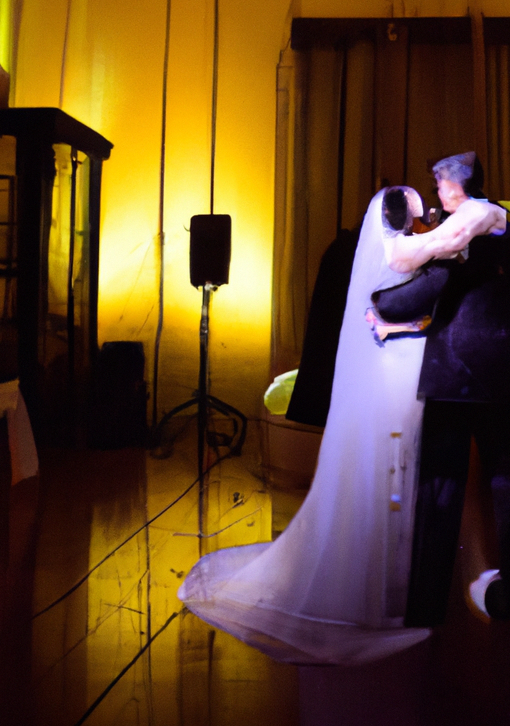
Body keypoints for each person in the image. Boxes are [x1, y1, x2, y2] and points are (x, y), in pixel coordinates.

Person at [177, 185, 493, 665]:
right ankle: (382, 584)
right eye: (417, 215)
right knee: (388, 475)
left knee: (379, 477)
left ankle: (378, 576)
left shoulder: (373, 252)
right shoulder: (402, 256)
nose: (422, 223)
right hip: (393, 378)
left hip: (384, 377)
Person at [372, 152, 510, 623]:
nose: (436, 194)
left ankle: (426, 601)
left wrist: (380, 304)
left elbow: (420, 294)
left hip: (454, 377)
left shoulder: (462, 237)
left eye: (438, 184)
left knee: (441, 486)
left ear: (453, 185)